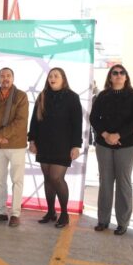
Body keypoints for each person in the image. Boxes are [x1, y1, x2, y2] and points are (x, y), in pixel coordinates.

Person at [89, 65, 133, 235]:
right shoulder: (102, 95)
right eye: (115, 73)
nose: (119, 75)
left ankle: (123, 222)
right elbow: (93, 117)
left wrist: (118, 135)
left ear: (126, 77)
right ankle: (103, 220)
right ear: (110, 77)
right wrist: (106, 135)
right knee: (105, 182)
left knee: (123, 183)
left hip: (126, 145)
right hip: (104, 144)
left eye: (122, 73)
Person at [28, 67, 82, 229]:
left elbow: (77, 123)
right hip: (44, 143)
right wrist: (32, 140)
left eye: (56, 76)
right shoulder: (42, 96)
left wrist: (76, 145)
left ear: (63, 79)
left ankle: (64, 213)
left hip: (63, 145)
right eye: (50, 76)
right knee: (47, 178)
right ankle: (51, 211)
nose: (52, 78)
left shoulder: (72, 97)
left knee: (56, 177)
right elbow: (34, 121)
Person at [0, 67, 29, 227]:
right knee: (0, 180)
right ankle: (1, 211)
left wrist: (1, 135)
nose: (5, 78)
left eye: (8, 75)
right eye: (2, 76)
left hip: (15, 145)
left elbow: (20, 122)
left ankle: (15, 214)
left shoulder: (21, 96)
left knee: (17, 180)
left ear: (13, 78)